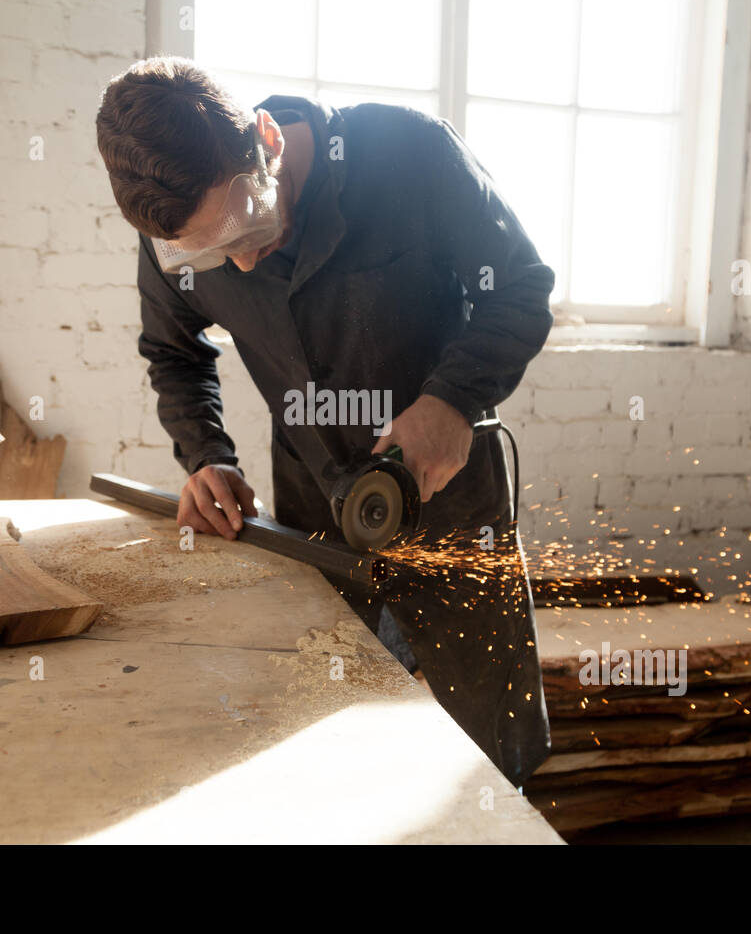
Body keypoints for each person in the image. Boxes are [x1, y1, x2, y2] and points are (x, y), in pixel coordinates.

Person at [96, 56, 553, 785]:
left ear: (268, 139)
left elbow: (523, 288)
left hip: (451, 500)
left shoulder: (409, 155)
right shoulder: (181, 228)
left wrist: (452, 400)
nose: (239, 265)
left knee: (490, 745)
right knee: (330, 725)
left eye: (244, 228)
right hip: (314, 512)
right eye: (211, 253)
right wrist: (206, 456)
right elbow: (172, 351)